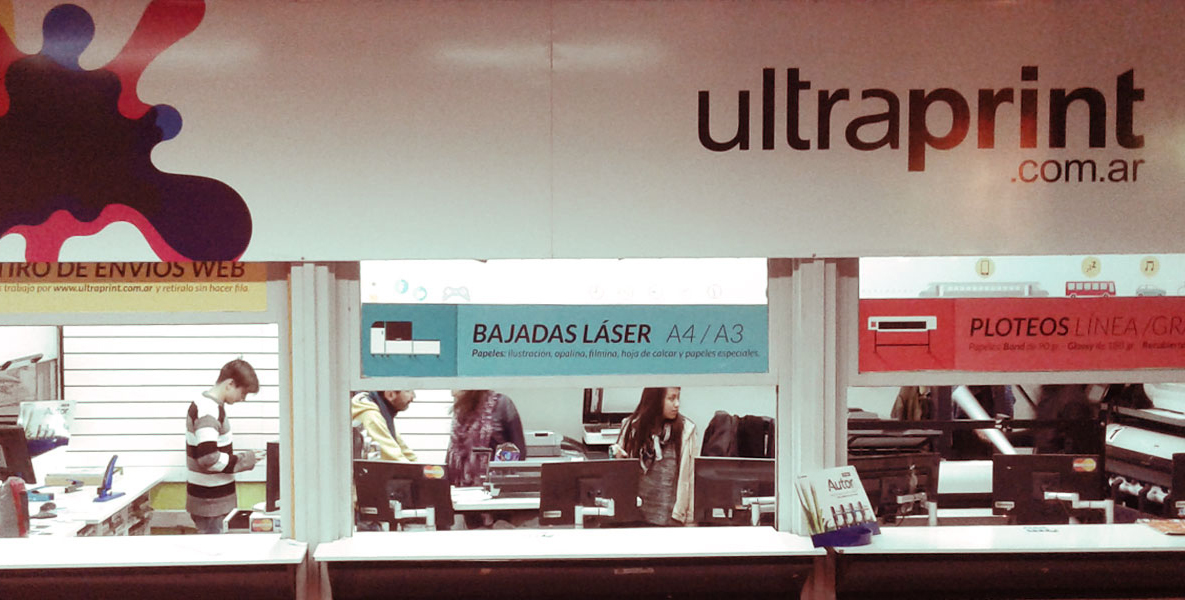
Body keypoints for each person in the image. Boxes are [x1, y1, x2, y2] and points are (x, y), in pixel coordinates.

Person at [186, 359, 261, 534]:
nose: (243, 399)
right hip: (211, 505)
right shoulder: (208, 410)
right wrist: (245, 460)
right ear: (230, 384)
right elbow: (209, 458)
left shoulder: (208, 406)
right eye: (243, 393)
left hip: (212, 504)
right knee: (215, 550)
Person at [612, 387, 697, 526]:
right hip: (635, 518)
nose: (677, 404)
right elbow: (617, 478)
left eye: (678, 398)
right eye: (671, 398)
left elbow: (691, 479)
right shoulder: (631, 426)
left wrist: (690, 523)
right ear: (656, 400)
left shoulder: (686, 430)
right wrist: (618, 459)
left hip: (670, 521)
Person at [445, 390, 526, 487]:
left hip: (495, 487)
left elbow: (519, 452)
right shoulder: (459, 412)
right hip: (461, 489)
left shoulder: (501, 404)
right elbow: (452, 454)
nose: (451, 389)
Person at [350, 390, 418, 461]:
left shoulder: (382, 412)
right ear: (390, 394)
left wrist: (419, 466)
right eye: (408, 391)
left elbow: (404, 451)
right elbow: (392, 458)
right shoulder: (371, 416)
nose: (413, 397)